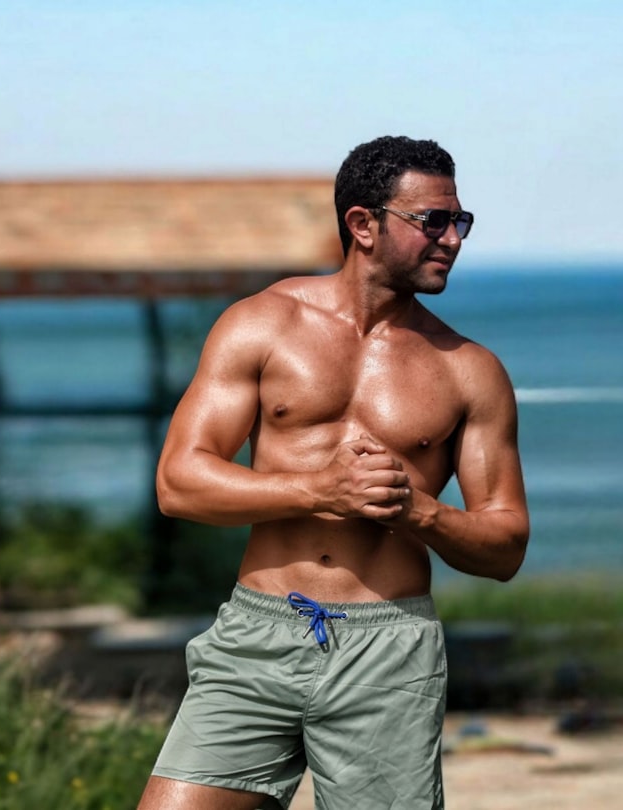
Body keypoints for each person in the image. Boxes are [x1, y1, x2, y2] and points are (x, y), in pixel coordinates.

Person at [136, 135, 529, 810]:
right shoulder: (261, 325)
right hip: (258, 635)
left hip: (387, 650)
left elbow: (506, 547)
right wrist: (318, 489)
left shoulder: (469, 370)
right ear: (363, 224)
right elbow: (179, 483)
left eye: (459, 221)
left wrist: (419, 511)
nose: (452, 239)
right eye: (433, 221)